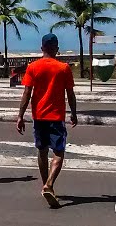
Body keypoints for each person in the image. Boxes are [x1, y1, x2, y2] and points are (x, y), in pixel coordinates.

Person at [16, 33, 77, 208]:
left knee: (42, 151)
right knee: (58, 152)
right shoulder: (63, 68)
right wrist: (73, 113)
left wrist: (20, 116)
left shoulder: (33, 67)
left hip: (39, 116)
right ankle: (49, 185)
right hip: (56, 117)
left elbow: (27, 93)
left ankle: (46, 185)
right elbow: (70, 94)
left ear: (42, 48)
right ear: (57, 48)